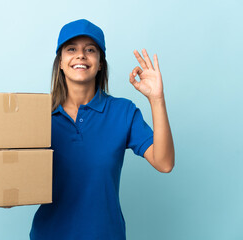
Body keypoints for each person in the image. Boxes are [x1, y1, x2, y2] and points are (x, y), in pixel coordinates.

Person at [28, 19, 175, 240]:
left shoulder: (123, 112)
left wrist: (157, 99)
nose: (81, 55)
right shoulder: (38, 116)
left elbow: (164, 163)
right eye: (71, 49)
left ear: (100, 63)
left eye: (90, 50)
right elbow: (16, 181)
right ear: (60, 62)